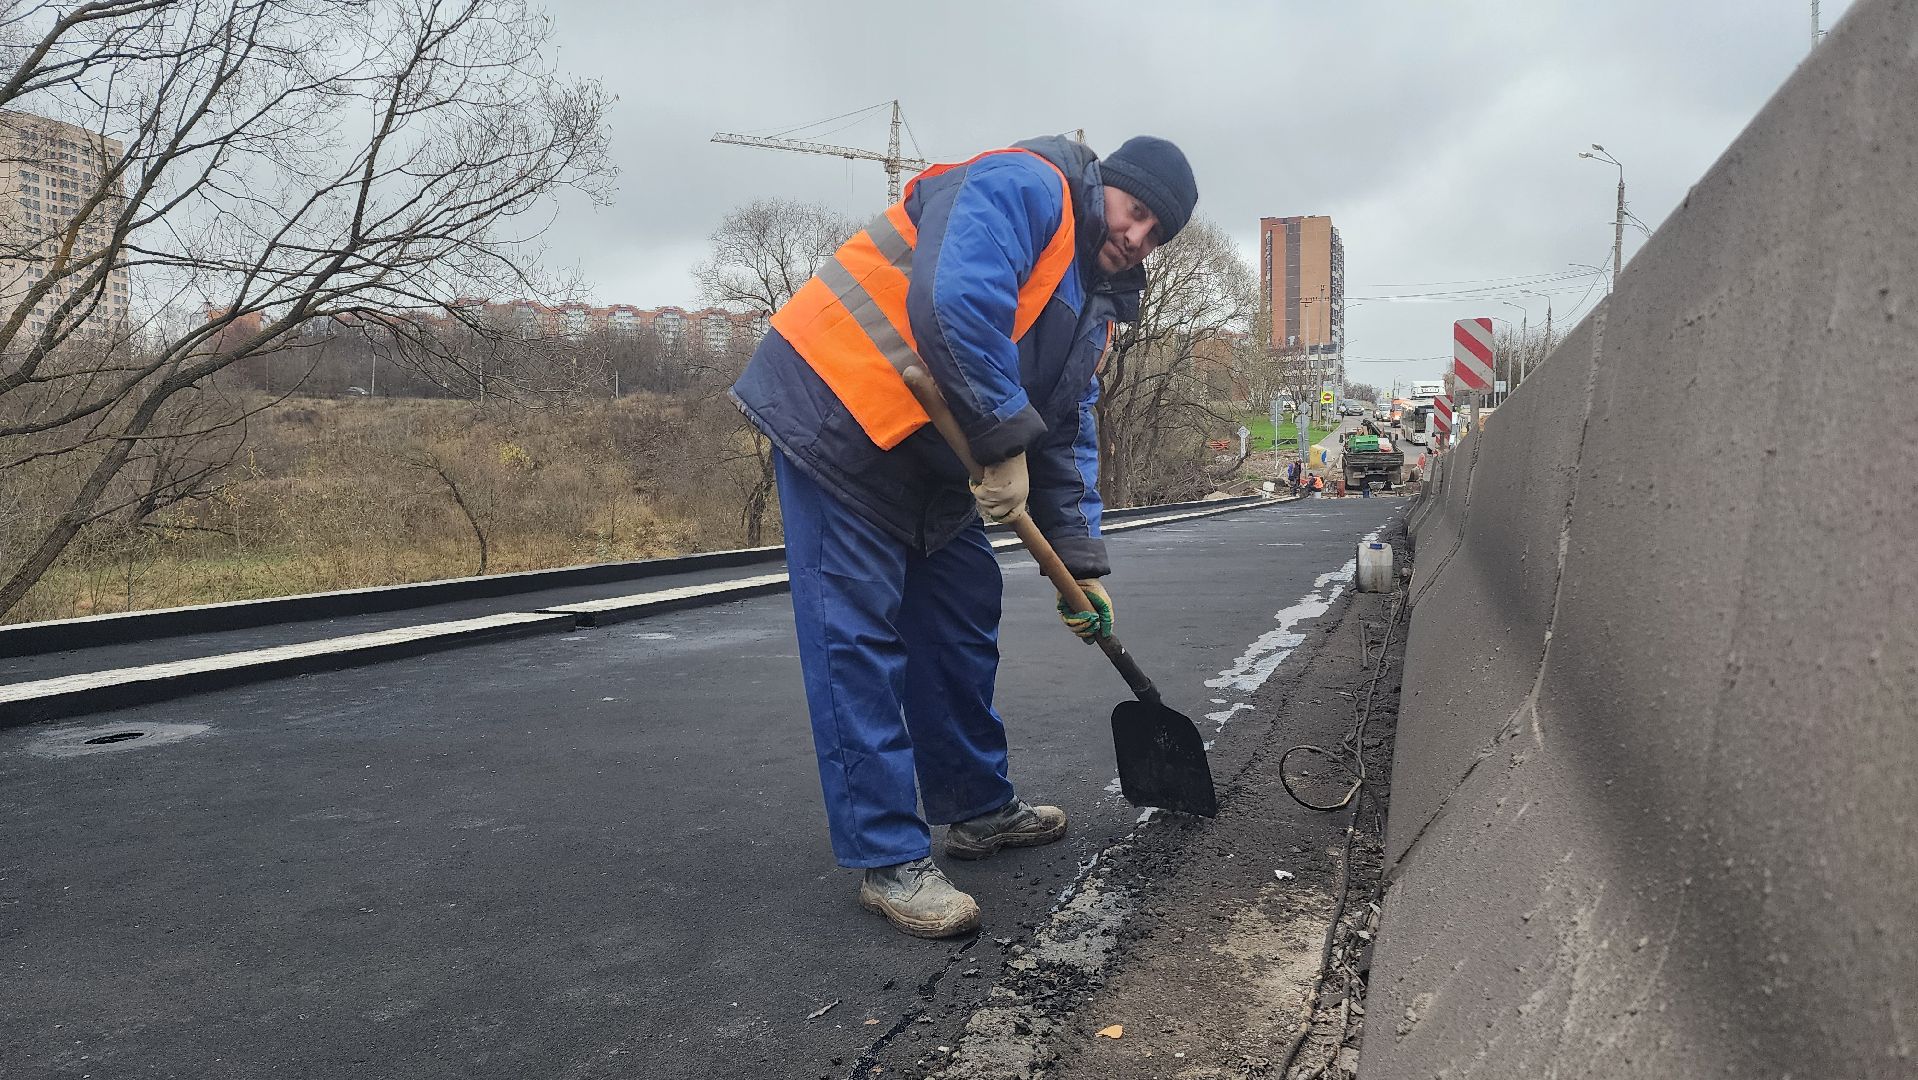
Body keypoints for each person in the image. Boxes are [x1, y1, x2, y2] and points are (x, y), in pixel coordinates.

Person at [731, 135, 1199, 938]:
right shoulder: (1029, 188)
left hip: (933, 453)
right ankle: (886, 857)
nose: (1137, 237)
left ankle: (977, 809)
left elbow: (1069, 427)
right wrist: (1000, 440)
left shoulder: (1096, 305)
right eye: (1137, 212)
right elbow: (955, 302)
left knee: (961, 608)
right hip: (840, 413)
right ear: (1110, 186)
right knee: (858, 641)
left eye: (1157, 234)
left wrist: (1081, 564)